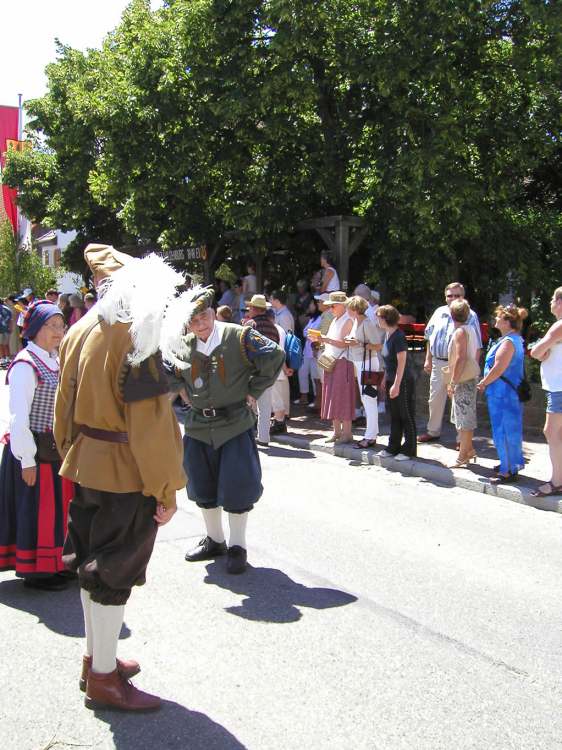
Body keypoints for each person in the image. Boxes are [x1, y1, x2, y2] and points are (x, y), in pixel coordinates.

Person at [54, 244, 186, 712]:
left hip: (87, 463)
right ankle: (105, 679)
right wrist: (166, 488)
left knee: (91, 565)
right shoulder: (138, 334)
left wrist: (71, 451)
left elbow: (62, 405)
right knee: (114, 573)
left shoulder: (84, 327)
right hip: (125, 472)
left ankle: (96, 659)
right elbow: (150, 425)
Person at [163, 288, 285, 574]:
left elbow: (275, 355)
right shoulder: (181, 345)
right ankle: (215, 540)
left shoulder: (239, 336)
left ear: (213, 311)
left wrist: (254, 390)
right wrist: (180, 388)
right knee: (201, 485)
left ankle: (237, 547)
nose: (200, 324)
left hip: (234, 425)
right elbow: (165, 369)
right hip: (197, 427)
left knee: (238, 486)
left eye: (204, 316)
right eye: (193, 320)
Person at [0, 301, 73, 590]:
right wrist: (27, 460)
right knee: (37, 510)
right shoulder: (25, 364)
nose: (59, 331)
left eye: (60, 325)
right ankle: (37, 570)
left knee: (55, 510)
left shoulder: (54, 359)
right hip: (33, 452)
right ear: (34, 330)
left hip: (52, 451)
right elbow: (19, 418)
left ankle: (55, 563)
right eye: (52, 326)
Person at [419, 282, 482, 443]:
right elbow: (429, 337)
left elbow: (477, 345)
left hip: (459, 364)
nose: (453, 298)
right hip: (439, 362)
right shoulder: (439, 312)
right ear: (445, 297)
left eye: (457, 295)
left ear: (463, 297)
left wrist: (473, 368)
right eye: (450, 295)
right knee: (434, 399)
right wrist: (428, 359)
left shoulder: (470, 315)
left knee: (459, 401)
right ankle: (433, 431)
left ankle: (462, 440)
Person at [477, 305, 527, 484]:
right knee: (508, 430)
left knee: (504, 430)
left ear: (507, 322)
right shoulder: (512, 339)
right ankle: (509, 463)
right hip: (505, 393)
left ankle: (508, 470)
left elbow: (499, 368)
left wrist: (483, 382)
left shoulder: (508, 342)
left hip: (503, 394)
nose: (495, 320)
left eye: (498, 317)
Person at [309, 291, 355, 444]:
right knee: (332, 396)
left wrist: (324, 339)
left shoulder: (348, 320)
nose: (330, 308)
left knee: (343, 396)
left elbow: (344, 343)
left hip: (343, 362)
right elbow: (333, 341)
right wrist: (320, 341)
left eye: (333, 305)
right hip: (332, 361)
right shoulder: (336, 320)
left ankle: (347, 433)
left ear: (342, 305)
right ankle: (336, 432)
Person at [530, 288, 562, 496]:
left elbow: (535, 351)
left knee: (551, 432)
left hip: (559, 388)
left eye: (553, 299)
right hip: (557, 387)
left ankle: (557, 482)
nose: (550, 302)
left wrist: (542, 352)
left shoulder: (559, 325)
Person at [377, 305, 417, 460]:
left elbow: (402, 362)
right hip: (391, 379)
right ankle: (393, 447)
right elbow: (389, 362)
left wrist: (397, 384)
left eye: (379, 316)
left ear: (387, 318)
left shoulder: (399, 337)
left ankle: (409, 449)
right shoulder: (386, 335)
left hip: (403, 380)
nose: (377, 319)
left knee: (406, 414)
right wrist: (385, 379)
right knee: (394, 415)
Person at [345, 295, 385, 448]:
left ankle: (370, 436)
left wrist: (358, 343)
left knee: (369, 399)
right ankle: (371, 434)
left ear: (355, 309)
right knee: (366, 399)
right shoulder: (357, 321)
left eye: (349, 307)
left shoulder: (367, 323)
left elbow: (377, 345)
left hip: (368, 363)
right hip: (360, 362)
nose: (347, 310)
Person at [446, 300, 480, 468]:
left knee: (463, 419)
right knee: (465, 416)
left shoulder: (460, 332)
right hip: (469, 377)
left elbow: (460, 358)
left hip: (463, 379)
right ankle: (469, 449)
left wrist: (452, 382)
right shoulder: (471, 329)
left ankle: (462, 456)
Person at [243, 294, 280, 445]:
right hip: (269, 371)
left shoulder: (250, 325)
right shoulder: (273, 327)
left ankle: (246, 437)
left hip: (253, 370)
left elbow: (243, 347)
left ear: (253, 309)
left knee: (248, 404)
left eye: (250, 307)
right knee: (265, 406)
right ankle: (264, 438)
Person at [296, 299, 322, 406]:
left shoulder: (321, 318)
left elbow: (314, 333)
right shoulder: (312, 319)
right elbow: (305, 332)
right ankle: (304, 396)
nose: (310, 306)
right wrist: (309, 334)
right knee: (302, 372)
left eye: (312, 304)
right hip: (307, 350)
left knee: (314, 376)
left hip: (315, 351)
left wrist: (309, 334)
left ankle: (317, 400)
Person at [0, 297, 12, 367]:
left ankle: (2, 360)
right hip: (7, 329)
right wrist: (11, 328)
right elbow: (10, 319)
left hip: (1, 329)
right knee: (6, 345)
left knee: (0, 345)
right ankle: (8, 359)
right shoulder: (7, 309)